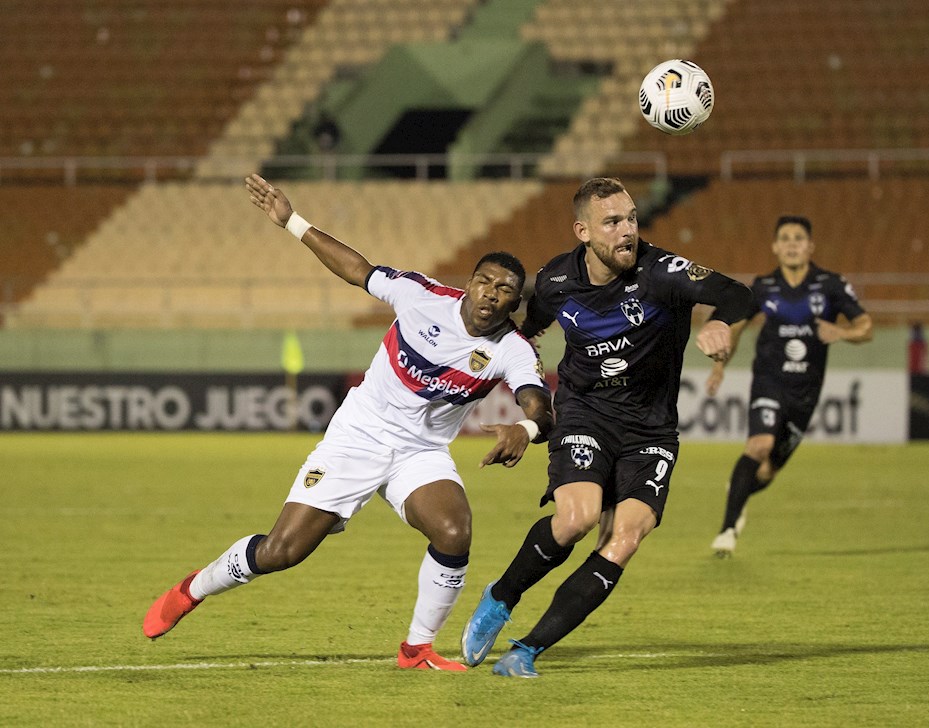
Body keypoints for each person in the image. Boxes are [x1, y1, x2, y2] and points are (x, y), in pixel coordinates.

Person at [142, 173, 554, 672]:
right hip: (358, 436)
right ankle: (194, 588)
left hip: (420, 453)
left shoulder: (509, 349)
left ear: (515, 302)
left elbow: (538, 404)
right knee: (282, 551)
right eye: (485, 281)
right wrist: (291, 221)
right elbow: (358, 269)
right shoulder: (420, 294)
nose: (491, 293)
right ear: (469, 283)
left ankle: (416, 650)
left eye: (505, 290)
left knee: (454, 532)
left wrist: (525, 429)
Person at [460, 177, 753, 678]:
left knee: (625, 537)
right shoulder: (554, 279)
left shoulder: (664, 272)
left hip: (651, 431)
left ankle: (526, 651)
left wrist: (721, 322)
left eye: (632, 218)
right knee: (576, 518)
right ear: (582, 230)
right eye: (613, 222)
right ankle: (501, 595)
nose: (627, 231)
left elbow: (738, 294)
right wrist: (518, 354)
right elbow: (529, 326)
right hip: (585, 412)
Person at [705, 215, 873, 557]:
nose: (792, 243)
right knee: (758, 445)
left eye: (799, 238)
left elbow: (866, 326)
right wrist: (720, 366)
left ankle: (739, 492)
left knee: (766, 470)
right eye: (785, 238)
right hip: (769, 381)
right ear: (775, 247)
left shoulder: (831, 285)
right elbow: (735, 328)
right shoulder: (764, 287)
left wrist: (841, 332)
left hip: (806, 393)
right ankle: (727, 531)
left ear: (810, 246)